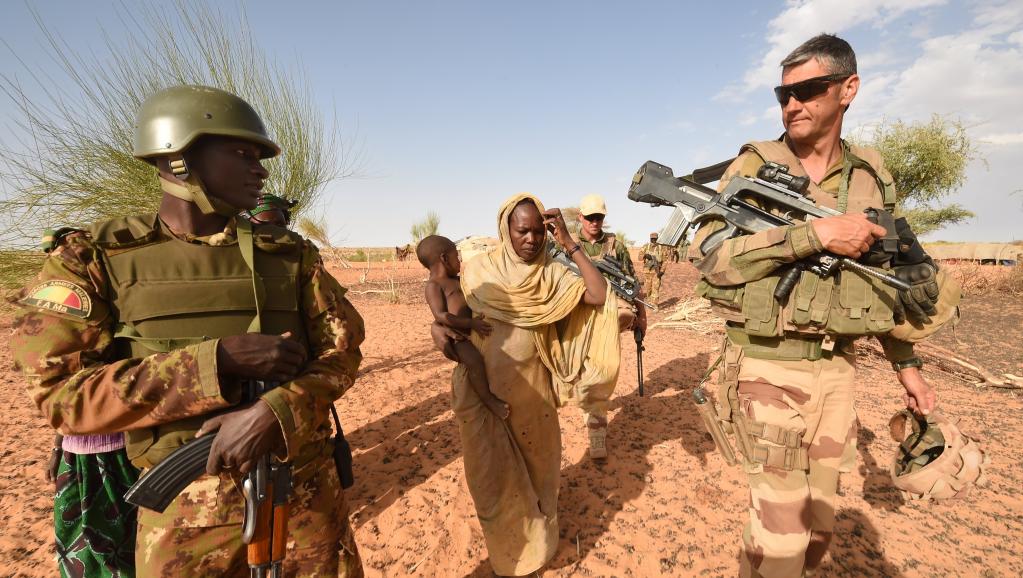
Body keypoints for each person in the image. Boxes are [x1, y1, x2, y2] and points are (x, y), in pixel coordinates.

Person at [11, 85, 365, 577]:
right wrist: (214, 364)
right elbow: (62, 396)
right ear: (179, 158)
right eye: (243, 153)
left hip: (302, 495)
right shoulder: (94, 259)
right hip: (182, 510)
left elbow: (342, 354)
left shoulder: (289, 254)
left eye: (260, 156)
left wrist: (276, 410)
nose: (261, 169)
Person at [687, 35, 945, 577]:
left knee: (817, 530)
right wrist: (812, 236)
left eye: (808, 90)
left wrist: (908, 367)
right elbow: (710, 257)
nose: (792, 105)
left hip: (837, 369)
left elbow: (887, 277)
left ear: (848, 89)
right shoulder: (756, 166)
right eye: (783, 93)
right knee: (781, 531)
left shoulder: (872, 174)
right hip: (763, 363)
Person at [455, 194, 618, 576]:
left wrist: (570, 244)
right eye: (521, 231)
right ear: (505, 230)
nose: (530, 239)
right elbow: (455, 323)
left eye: (537, 232)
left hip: (533, 398)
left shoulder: (551, 275)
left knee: (540, 474)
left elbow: (597, 294)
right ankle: (507, 556)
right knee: (491, 479)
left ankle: (539, 551)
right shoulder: (480, 273)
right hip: (483, 397)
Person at [575, 193, 647, 459]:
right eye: (590, 217)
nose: (595, 222)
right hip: (579, 316)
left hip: (610, 316)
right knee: (582, 371)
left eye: (599, 217)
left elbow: (632, 282)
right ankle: (590, 401)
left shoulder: (616, 245)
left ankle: (596, 430)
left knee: (602, 370)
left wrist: (641, 316)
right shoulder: (569, 245)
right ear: (580, 217)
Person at [417, 234, 509, 419]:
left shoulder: (459, 280)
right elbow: (440, 315)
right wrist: (470, 323)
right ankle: (489, 401)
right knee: (474, 361)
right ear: (444, 258)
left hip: (473, 331)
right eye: (456, 256)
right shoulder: (434, 286)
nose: (459, 261)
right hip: (458, 337)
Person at [639, 231, 669, 305]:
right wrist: (645, 255)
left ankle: (655, 305)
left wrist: (662, 271)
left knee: (655, 289)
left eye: (655, 239)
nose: (653, 240)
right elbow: (639, 257)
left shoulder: (661, 248)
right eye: (652, 239)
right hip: (647, 271)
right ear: (650, 238)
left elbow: (665, 261)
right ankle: (649, 302)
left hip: (656, 272)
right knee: (648, 289)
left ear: (657, 238)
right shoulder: (645, 247)